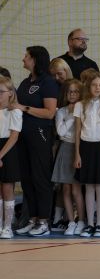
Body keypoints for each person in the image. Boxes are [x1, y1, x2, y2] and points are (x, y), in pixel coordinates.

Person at [13, 46, 59, 237]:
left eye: (26, 56)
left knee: (40, 178)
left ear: (35, 59)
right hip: (22, 136)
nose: (23, 59)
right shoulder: (25, 82)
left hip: (40, 135)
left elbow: (50, 113)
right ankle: (32, 219)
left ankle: (44, 221)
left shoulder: (48, 82)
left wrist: (24, 108)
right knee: (27, 178)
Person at [73, 71, 100, 238]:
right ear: (88, 86)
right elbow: (77, 131)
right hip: (86, 147)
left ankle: (99, 224)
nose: (98, 88)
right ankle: (90, 223)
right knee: (89, 185)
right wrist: (77, 154)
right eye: (94, 85)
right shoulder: (80, 105)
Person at [52, 79, 85, 237]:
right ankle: (70, 221)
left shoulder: (84, 108)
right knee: (66, 188)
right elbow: (61, 132)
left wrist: (75, 114)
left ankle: (81, 221)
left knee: (76, 189)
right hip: (65, 148)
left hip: (80, 149)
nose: (72, 94)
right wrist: (72, 115)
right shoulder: (61, 111)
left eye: (76, 91)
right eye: (69, 91)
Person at [0, 76, 22, 239]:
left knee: (7, 189)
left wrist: (0, 155)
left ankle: (7, 227)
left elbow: (14, 136)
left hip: (8, 150)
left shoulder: (15, 111)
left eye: (1, 92)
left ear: (10, 93)